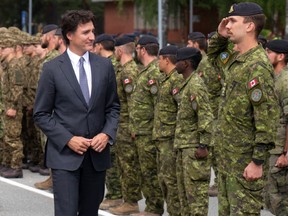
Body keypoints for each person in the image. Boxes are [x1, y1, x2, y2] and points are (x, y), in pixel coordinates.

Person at [33, 9, 120, 216]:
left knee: (90, 212)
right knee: (67, 212)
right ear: (69, 35)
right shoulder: (52, 69)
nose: (92, 37)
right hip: (65, 157)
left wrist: (106, 134)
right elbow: (41, 114)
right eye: (85, 32)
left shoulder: (104, 66)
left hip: (96, 156)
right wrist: (68, 139)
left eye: (93, 31)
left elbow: (113, 107)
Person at [208, 2, 280, 215]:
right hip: (228, 161)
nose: (227, 25)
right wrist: (220, 37)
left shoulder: (257, 65)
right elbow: (212, 57)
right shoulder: (237, 60)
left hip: (244, 165)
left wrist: (257, 161)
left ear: (249, 26)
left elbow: (266, 118)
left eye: (233, 21)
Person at [174, 47, 213, 215]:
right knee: (185, 198)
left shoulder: (196, 85)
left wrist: (203, 145)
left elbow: (205, 116)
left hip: (194, 149)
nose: (175, 64)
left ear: (186, 63)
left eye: (177, 61)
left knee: (195, 200)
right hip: (184, 147)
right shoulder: (186, 84)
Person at [129, 35, 164, 216]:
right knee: (145, 170)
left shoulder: (154, 72)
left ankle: (154, 208)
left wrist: (154, 130)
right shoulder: (146, 70)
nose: (136, 52)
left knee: (151, 172)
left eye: (137, 49)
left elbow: (159, 103)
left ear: (142, 49)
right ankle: (152, 206)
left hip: (149, 132)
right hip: (141, 131)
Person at [187, 31, 223, 197]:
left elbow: (207, 91)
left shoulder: (207, 63)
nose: (187, 46)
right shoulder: (206, 62)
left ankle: (218, 183)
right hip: (213, 112)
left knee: (214, 150)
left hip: (213, 112)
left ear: (195, 44)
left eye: (189, 44)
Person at [109, 35, 142, 215]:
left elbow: (133, 103)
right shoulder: (124, 70)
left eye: (115, 50)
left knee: (128, 165)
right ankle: (125, 198)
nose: (114, 53)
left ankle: (131, 202)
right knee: (123, 164)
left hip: (127, 125)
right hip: (121, 124)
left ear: (120, 51)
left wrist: (133, 128)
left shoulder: (129, 72)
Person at [93, 33, 123, 211]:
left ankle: (116, 195)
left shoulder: (110, 66)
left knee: (113, 161)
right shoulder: (109, 65)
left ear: (99, 46)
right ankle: (114, 194)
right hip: (110, 120)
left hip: (115, 120)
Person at [152, 45, 182, 216]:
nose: (158, 62)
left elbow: (182, 109)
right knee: (164, 180)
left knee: (171, 182)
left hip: (170, 139)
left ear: (166, 60)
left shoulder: (176, 80)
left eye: (160, 59)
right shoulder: (165, 79)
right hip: (162, 139)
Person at [264, 39, 288, 216]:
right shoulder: (275, 78)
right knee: (272, 199)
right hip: (273, 148)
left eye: (268, 52)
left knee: (281, 201)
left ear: (280, 56)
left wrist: (286, 153)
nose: (265, 55)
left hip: (281, 151)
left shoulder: (285, 81)